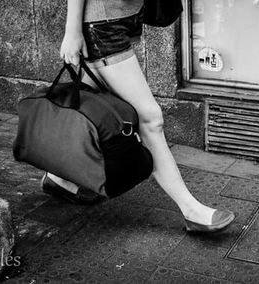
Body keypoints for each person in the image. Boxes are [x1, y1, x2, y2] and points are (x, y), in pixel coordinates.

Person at [46, 0, 235, 233]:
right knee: (150, 118)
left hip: (128, 14)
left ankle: (59, 176)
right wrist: (72, 31)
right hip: (103, 22)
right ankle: (191, 210)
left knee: (91, 103)